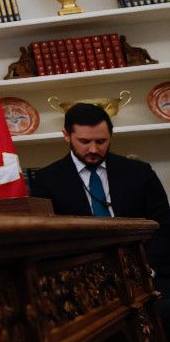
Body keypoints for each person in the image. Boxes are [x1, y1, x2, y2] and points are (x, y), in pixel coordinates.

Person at [29, 103, 170, 326]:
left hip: (146, 270)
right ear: (67, 136)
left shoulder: (139, 172)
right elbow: (47, 241)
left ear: (110, 136)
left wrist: (148, 270)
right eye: (84, 142)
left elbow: (163, 226)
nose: (93, 149)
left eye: (101, 141)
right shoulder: (47, 180)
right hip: (82, 280)